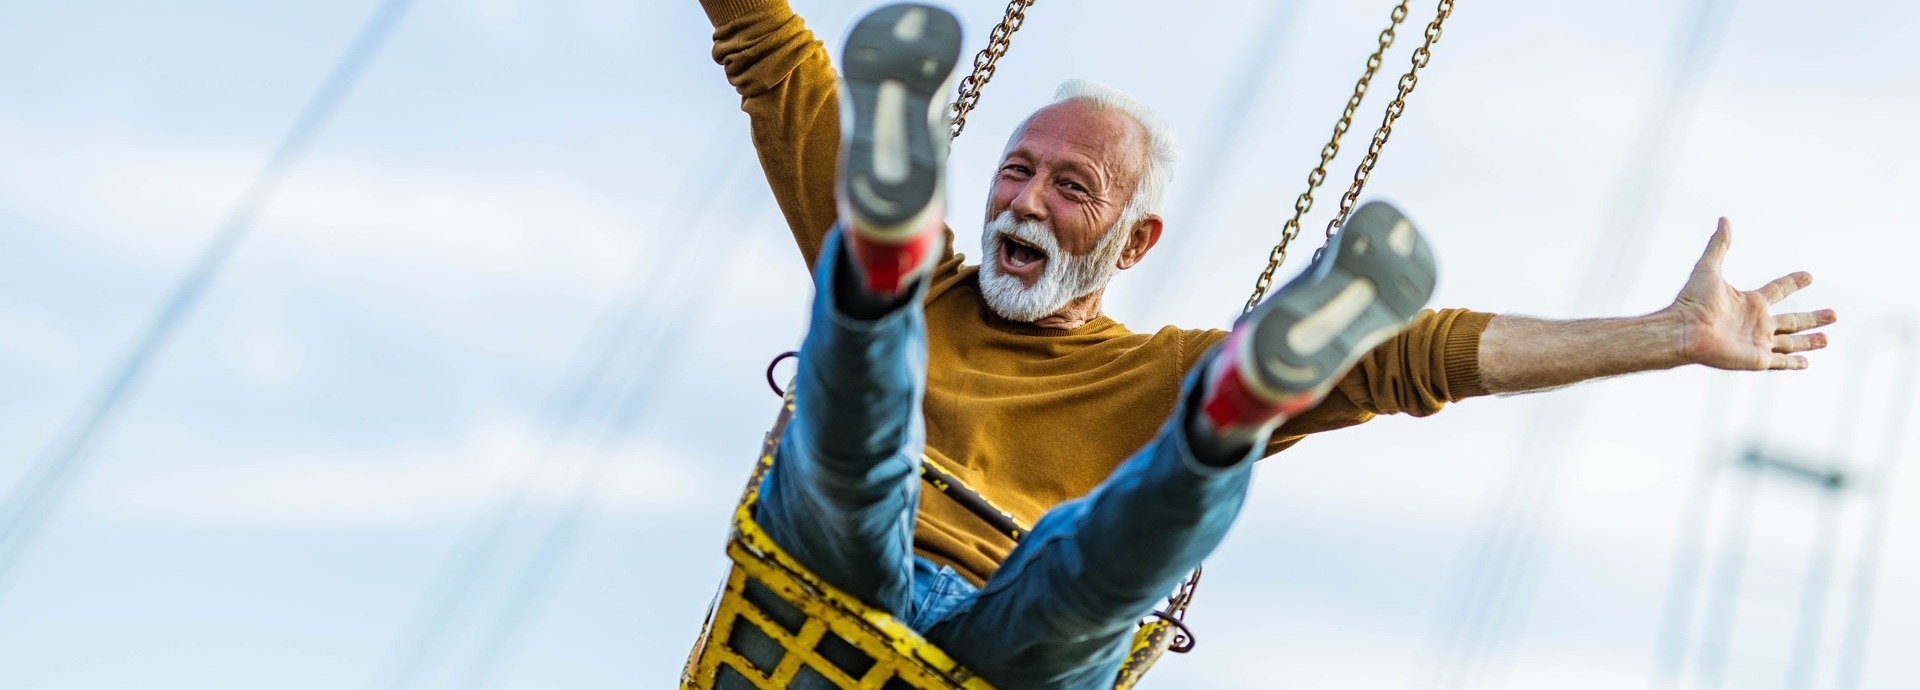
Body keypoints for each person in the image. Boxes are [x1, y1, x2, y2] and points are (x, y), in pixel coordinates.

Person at [697, 1, 1836, 687]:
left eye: (1070, 188)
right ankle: (883, 245)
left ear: (1135, 241)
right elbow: (768, 49)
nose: (1026, 204)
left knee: (1090, 578)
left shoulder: (1149, 371)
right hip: (847, 565)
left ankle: (1236, 407)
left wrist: (1666, 334)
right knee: (857, 466)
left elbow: (1413, 356)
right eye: (1015, 170)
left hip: (1009, 645)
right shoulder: (955, 298)